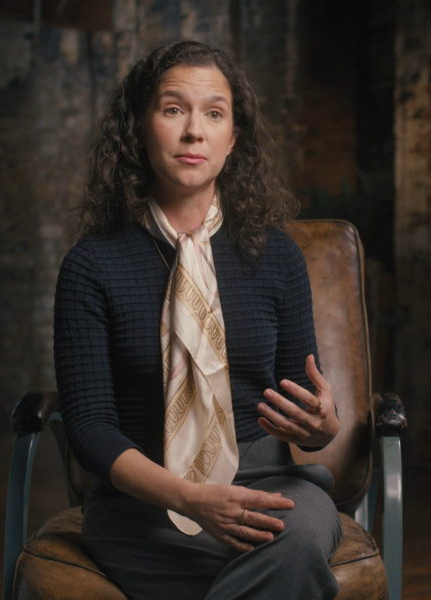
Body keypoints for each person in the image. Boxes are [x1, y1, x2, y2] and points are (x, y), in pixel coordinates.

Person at [54, 40, 342, 600]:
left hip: (268, 486)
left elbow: (303, 403)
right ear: (139, 129)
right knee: (286, 567)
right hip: (144, 499)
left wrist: (323, 426)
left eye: (214, 113)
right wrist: (190, 499)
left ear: (232, 139)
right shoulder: (91, 265)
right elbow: (89, 429)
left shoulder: (278, 257)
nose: (194, 132)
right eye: (172, 109)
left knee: (298, 537)